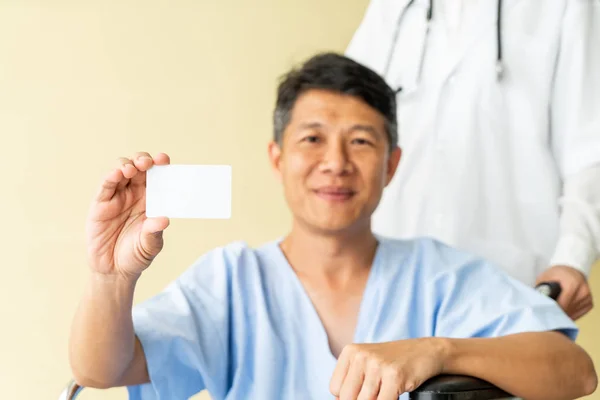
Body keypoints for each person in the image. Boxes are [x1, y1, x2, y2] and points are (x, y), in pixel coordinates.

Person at [69, 53, 597, 400]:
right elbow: (101, 370)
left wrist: (437, 351)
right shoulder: (233, 281)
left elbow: (574, 370)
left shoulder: (441, 277)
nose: (336, 163)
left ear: (391, 165)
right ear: (277, 158)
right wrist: (110, 279)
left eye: (362, 142)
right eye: (312, 139)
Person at [344, 0, 600, 320]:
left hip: (511, 284)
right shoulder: (393, 7)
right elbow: (345, 112)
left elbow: (589, 149)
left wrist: (572, 258)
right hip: (387, 280)